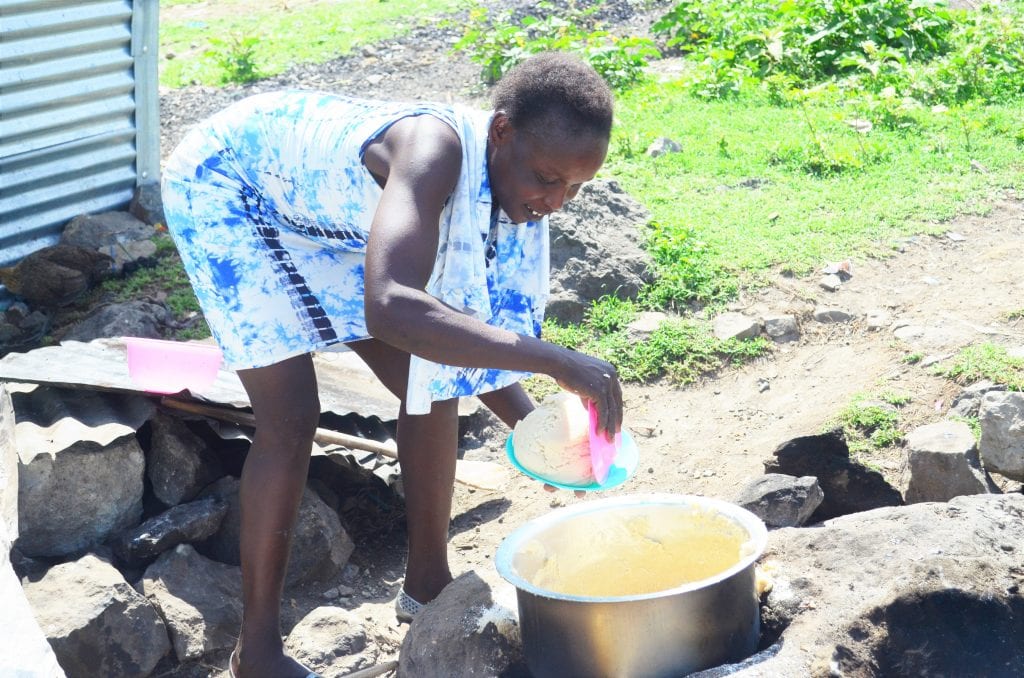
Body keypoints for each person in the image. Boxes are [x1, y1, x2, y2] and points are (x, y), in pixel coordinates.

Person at [161, 51, 623, 678]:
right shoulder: (434, 154)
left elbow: (470, 337)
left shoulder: (512, 184)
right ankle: (259, 652)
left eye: (574, 187)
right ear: (503, 131)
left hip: (328, 217)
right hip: (232, 185)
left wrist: (543, 433)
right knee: (290, 418)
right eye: (547, 178)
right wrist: (557, 362)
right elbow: (393, 310)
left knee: (425, 384)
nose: (556, 201)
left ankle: (427, 584)